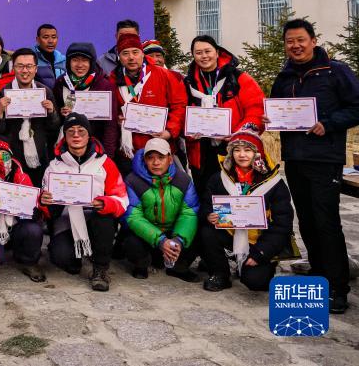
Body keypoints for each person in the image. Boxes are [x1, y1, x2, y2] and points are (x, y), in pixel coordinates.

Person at [269, 18, 359, 313]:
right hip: (295, 158)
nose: (295, 46)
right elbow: (275, 108)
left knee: (326, 222)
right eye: (289, 41)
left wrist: (328, 124)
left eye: (300, 40)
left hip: (324, 159)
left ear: (313, 41)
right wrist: (270, 117)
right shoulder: (285, 76)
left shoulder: (335, 71)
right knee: (306, 220)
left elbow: (356, 107)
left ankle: (338, 287)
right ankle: (320, 273)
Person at [197, 130, 293, 293]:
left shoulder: (274, 183)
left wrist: (261, 253)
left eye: (248, 150)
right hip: (231, 233)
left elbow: (282, 224)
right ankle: (220, 273)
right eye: (237, 150)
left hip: (260, 241)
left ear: (257, 153)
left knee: (256, 282)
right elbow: (206, 203)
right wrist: (208, 215)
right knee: (206, 232)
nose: (242, 155)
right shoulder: (220, 178)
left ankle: (264, 263)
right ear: (231, 153)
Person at [41, 113, 128, 292]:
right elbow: (45, 209)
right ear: (64, 136)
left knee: (104, 218)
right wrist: (44, 201)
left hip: (95, 221)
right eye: (70, 131)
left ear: (89, 135)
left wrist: (106, 203)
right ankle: (74, 252)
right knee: (65, 261)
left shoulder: (105, 163)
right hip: (67, 223)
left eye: (81, 131)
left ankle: (100, 270)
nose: (76, 135)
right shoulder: (54, 167)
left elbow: (122, 199)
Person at [183, 35, 265, 195]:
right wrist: (188, 132)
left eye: (208, 51)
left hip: (234, 150)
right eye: (198, 52)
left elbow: (256, 109)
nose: (204, 56)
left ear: (217, 52)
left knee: (232, 198)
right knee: (205, 197)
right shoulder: (188, 83)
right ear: (193, 55)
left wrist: (239, 134)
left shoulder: (238, 78)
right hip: (201, 152)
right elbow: (180, 113)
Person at [122, 138, 199, 282]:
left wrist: (178, 240)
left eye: (161, 157)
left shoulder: (183, 180)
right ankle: (142, 264)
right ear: (144, 160)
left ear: (170, 159)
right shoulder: (133, 180)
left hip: (172, 231)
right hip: (148, 235)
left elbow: (189, 212)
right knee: (131, 241)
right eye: (150, 158)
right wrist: (160, 240)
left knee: (197, 231)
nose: (155, 162)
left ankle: (178, 267)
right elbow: (133, 216)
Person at [0, 138, 46, 281]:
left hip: (17, 224)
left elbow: (35, 202)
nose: (1, 161)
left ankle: (29, 261)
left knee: (33, 230)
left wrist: (36, 210)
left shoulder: (22, 177)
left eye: (4, 156)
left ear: (11, 156)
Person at [109, 33, 186, 170]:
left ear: (142, 54)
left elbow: (179, 106)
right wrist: (117, 118)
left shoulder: (163, 75)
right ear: (119, 57)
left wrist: (169, 131)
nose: (131, 57)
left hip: (160, 148)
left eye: (135, 52)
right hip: (128, 150)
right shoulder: (113, 80)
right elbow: (109, 111)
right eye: (125, 53)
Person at [0, 48, 60, 188]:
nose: (24, 71)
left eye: (29, 66)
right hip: (13, 157)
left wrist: (52, 112)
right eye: (20, 66)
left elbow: (54, 128)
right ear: (13, 68)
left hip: (40, 156)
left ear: (36, 69)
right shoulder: (4, 92)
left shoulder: (45, 92)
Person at [53, 42, 121, 159]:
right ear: (68, 62)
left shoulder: (104, 86)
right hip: (67, 147)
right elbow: (54, 120)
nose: (80, 65)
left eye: (84, 60)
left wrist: (107, 155)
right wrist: (60, 113)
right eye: (75, 60)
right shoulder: (61, 82)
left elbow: (110, 126)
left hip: (96, 148)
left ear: (92, 62)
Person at [33, 24, 65, 90]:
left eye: (54, 37)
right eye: (46, 37)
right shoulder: (31, 58)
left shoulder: (63, 60)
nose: (50, 41)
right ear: (37, 39)